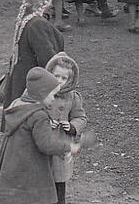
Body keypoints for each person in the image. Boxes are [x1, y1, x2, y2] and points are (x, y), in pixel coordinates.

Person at [0, 67, 81, 204]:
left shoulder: (18, 105)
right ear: (42, 93)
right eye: (52, 95)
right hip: (31, 170)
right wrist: (68, 147)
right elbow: (46, 144)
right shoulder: (39, 116)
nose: (53, 99)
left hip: (14, 168)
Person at [0, 0, 65, 115]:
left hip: (20, 77)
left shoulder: (26, 19)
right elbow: (47, 57)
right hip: (32, 82)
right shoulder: (38, 24)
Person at [45, 53, 88, 204]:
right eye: (56, 76)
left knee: (59, 181)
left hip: (62, 144)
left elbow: (81, 117)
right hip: (42, 143)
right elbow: (30, 111)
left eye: (64, 78)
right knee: (41, 179)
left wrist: (72, 126)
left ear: (70, 79)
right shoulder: (41, 93)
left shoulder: (72, 97)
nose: (59, 81)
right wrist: (44, 122)